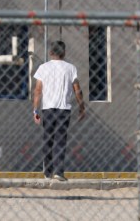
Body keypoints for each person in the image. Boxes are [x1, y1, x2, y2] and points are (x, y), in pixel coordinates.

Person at [32, 40, 86, 182]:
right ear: (64, 53)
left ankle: (47, 171)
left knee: (47, 139)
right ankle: (59, 172)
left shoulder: (43, 68)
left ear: (50, 53)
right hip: (64, 109)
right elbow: (77, 90)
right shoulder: (70, 68)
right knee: (60, 140)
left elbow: (38, 90)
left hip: (48, 108)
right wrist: (81, 107)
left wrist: (35, 110)